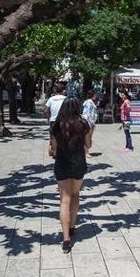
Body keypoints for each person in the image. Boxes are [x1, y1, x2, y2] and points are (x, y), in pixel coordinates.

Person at [49, 98, 91, 253]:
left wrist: (54, 150)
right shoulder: (83, 124)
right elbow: (88, 145)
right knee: (75, 195)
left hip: (62, 164)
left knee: (64, 200)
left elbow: (54, 148)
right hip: (79, 163)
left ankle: (66, 239)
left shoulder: (56, 125)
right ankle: (72, 226)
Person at [82, 90, 98, 156]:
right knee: (87, 137)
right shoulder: (89, 103)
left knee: (89, 137)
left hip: (91, 122)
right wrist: (90, 123)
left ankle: (86, 151)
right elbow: (88, 113)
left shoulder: (90, 102)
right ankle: (86, 152)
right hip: (89, 122)